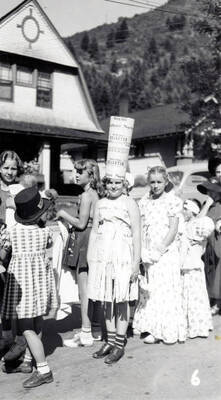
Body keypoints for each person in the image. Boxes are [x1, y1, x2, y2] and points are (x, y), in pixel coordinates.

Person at [0, 186, 57, 388]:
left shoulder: (12, 232)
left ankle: (43, 369)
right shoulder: (45, 232)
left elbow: (3, 254)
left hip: (22, 287)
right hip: (40, 284)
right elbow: (49, 244)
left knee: (25, 328)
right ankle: (27, 361)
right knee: (37, 321)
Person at [87, 175, 141, 364]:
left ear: (124, 184)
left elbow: (136, 232)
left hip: (123, 254)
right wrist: (91, 255)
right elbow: (94, 230)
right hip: (104, 255)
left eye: (118, 183)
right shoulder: (100, 203)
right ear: (105, 184)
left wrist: (136, 262)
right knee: (106, 299)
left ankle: (119, 343)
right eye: (109, 182)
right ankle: (109, 340)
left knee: (121, 298)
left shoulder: (130, 203)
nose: (113, 186)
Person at [133, 166, 185, 344]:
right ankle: (151, 326)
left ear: (166, 182)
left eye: (159, 182)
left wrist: (160, 249)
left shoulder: (172, 201)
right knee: (151, 289)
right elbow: (140, 227)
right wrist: (141, 250)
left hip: (165, 251)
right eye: (152, 182)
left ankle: (164, 329)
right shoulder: (144, 201)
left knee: (165, 289)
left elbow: (173, 229)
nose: (155, 185)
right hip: (148, 250)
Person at [56, 159, 102, 347]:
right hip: (96, 238)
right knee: (95, 287)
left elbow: (81, 224)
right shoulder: (97, 194)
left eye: (79, 172)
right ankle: (96, 327)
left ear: (90, 175)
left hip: (85, 239)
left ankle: (85, 332)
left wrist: (63, 214)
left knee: (84, 289)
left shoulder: (86, 195)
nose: (75, 174)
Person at [0, 150, 28, 361]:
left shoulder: (19, 189)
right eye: (6, 167)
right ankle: (6, 336)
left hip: (15, 246)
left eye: (13, 168)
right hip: (1, 245)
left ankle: (14, 341)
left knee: (13, 295)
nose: (10, 172)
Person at [179, 199, 214, 339]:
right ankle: (187, 324)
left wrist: (207, 204)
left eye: (186, 209)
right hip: (184, 267)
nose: (183, 212)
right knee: (184, 296)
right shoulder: (186, 224)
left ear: (193, 211)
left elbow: (199, 223)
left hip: (193, 267)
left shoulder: (198, 226)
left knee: (194, 297)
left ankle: (197, 326)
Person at [197, 180, 221, 315]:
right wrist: (207, 205)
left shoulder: (218, 207)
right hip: (209, 243)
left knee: (218, 273)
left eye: (212, 192)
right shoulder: (208, 206)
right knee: (209, 271)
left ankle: (217, 303)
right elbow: (198, 221)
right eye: (208, 192)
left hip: (217, 243)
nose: (209, 195)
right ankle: (212, 300)